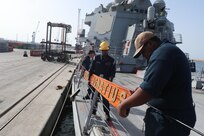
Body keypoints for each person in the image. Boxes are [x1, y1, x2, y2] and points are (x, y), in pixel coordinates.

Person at [117, 31, 196, 136]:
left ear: (150, 44)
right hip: (173, 117)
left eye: (143, 52)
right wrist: (140, 90)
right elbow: (159, 85)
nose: (144, 56)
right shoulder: (167, 50)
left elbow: (147, 92)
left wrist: (123, 105)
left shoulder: (161, 54)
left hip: (170, 121)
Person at [89, 41, 116, 121]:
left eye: (105, 50)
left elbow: (113, 72)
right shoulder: (96, 58)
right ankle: (93, 112)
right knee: (94, 97)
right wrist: (89, 81)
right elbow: (91, 70)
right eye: (103, 50)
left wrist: (110, 80)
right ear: (101, 50)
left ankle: (107, 114)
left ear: (108, 50)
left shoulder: (111, 60)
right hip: (96, 82)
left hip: (105, 84)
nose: (104, 52)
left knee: (105, 100)